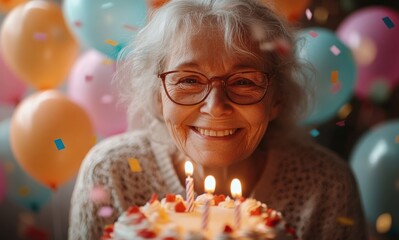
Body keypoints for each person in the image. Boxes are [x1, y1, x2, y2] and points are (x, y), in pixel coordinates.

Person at [68, 0, 368, 239]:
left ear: (277, 98)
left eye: (244, 82)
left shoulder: (326, 185)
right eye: (188, 80)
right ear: (158, 97)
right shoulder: (112, 172)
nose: (216, 106)